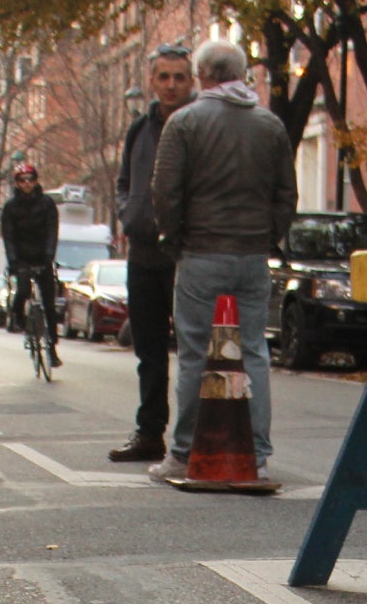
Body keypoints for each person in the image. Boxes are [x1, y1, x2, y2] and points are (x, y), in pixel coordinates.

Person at [149, 39, 295, 481]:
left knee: (196, 354)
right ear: (240, 73)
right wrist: (269, 236)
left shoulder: (185, 123)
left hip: (201, 252)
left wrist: (173, 236)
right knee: (253, 353)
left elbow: (165, 190)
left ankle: (183, 451)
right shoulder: (270, 127)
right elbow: (286, 194)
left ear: (202, 76)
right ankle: (259, 455)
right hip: (251, 255)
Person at [108, 41, 194, 463]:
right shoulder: (139, 129)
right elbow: (124, 181)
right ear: (151, 81)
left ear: (191, 81)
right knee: (149, 352)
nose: (171, 85)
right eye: (164, 76)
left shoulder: (198, 124)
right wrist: (128, 213)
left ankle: (193, 436)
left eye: (179, 77)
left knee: (195, 349)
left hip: (184, 255)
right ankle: (149, 433)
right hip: (142, 254)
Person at [0, 161, 61, 367]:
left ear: (36, 181)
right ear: (16, 183)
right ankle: (18, 318)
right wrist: (14, 261)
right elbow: (8, 237)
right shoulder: (10, 207)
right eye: (22, 180)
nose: (26, 183)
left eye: (30, 179)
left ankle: (52, 346)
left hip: (43, 256)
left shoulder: (47, 204)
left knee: (49, 303)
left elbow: (52, 231)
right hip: (22, 257)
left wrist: (49, 255)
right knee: (23, 290)